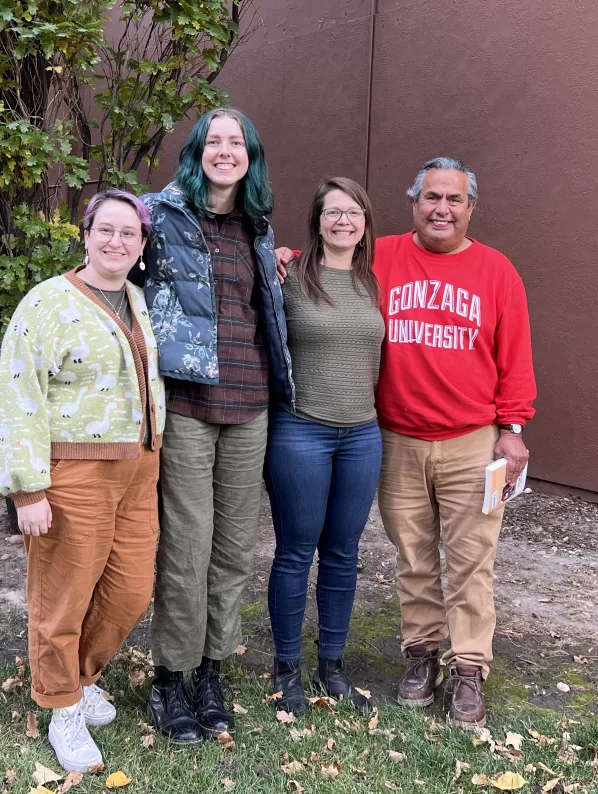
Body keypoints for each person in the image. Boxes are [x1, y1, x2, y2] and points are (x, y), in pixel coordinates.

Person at [276, 157, 536, 729]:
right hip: (395, 437)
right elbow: (330, 261)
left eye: (454, 200)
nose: (442, 209)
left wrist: (513, 430)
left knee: (471, 560)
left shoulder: (497, 272)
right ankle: (422, 657)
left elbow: (515, 357)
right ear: (414, 203)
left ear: (471, 209)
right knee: (413, 557)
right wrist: (288, 257)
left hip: (473, 440)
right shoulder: (382, 257)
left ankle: (468, 666)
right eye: (431, 198)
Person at [130, 107, 293, 745]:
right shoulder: (159, 215)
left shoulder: (256, 225)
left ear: (250, 156)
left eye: (237, 143)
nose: (225, 151)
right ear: (197, 151)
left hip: (251, 407)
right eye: (214, 142)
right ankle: (171, 678)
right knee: (187, 550)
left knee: (231, 553)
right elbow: (121, 274)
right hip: (191, 404)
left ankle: (211, 671)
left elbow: (260, 308)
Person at [0, 189, 165, 771]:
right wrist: (28, 490)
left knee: (130, 591)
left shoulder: (136, 300)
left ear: (141, 246)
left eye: (129, 234)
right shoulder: (47, 302)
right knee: (63, 596)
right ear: (86, 235)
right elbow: (17, 397)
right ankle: (62, 706)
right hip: (74, 472)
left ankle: (82, 676)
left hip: (140, 469)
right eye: (105, 230)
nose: (116, 242)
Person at [264, 177, 383, 717]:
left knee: (343, 554)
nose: (342, 221)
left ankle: (331, 666)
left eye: (352, 213)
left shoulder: (374, 281)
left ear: (364, 223)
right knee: (295, 553)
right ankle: (286, 669)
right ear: (316, 221)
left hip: (362, 434)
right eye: (332, 212)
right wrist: (277, 255)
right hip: (301, 431)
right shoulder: (288, 276)